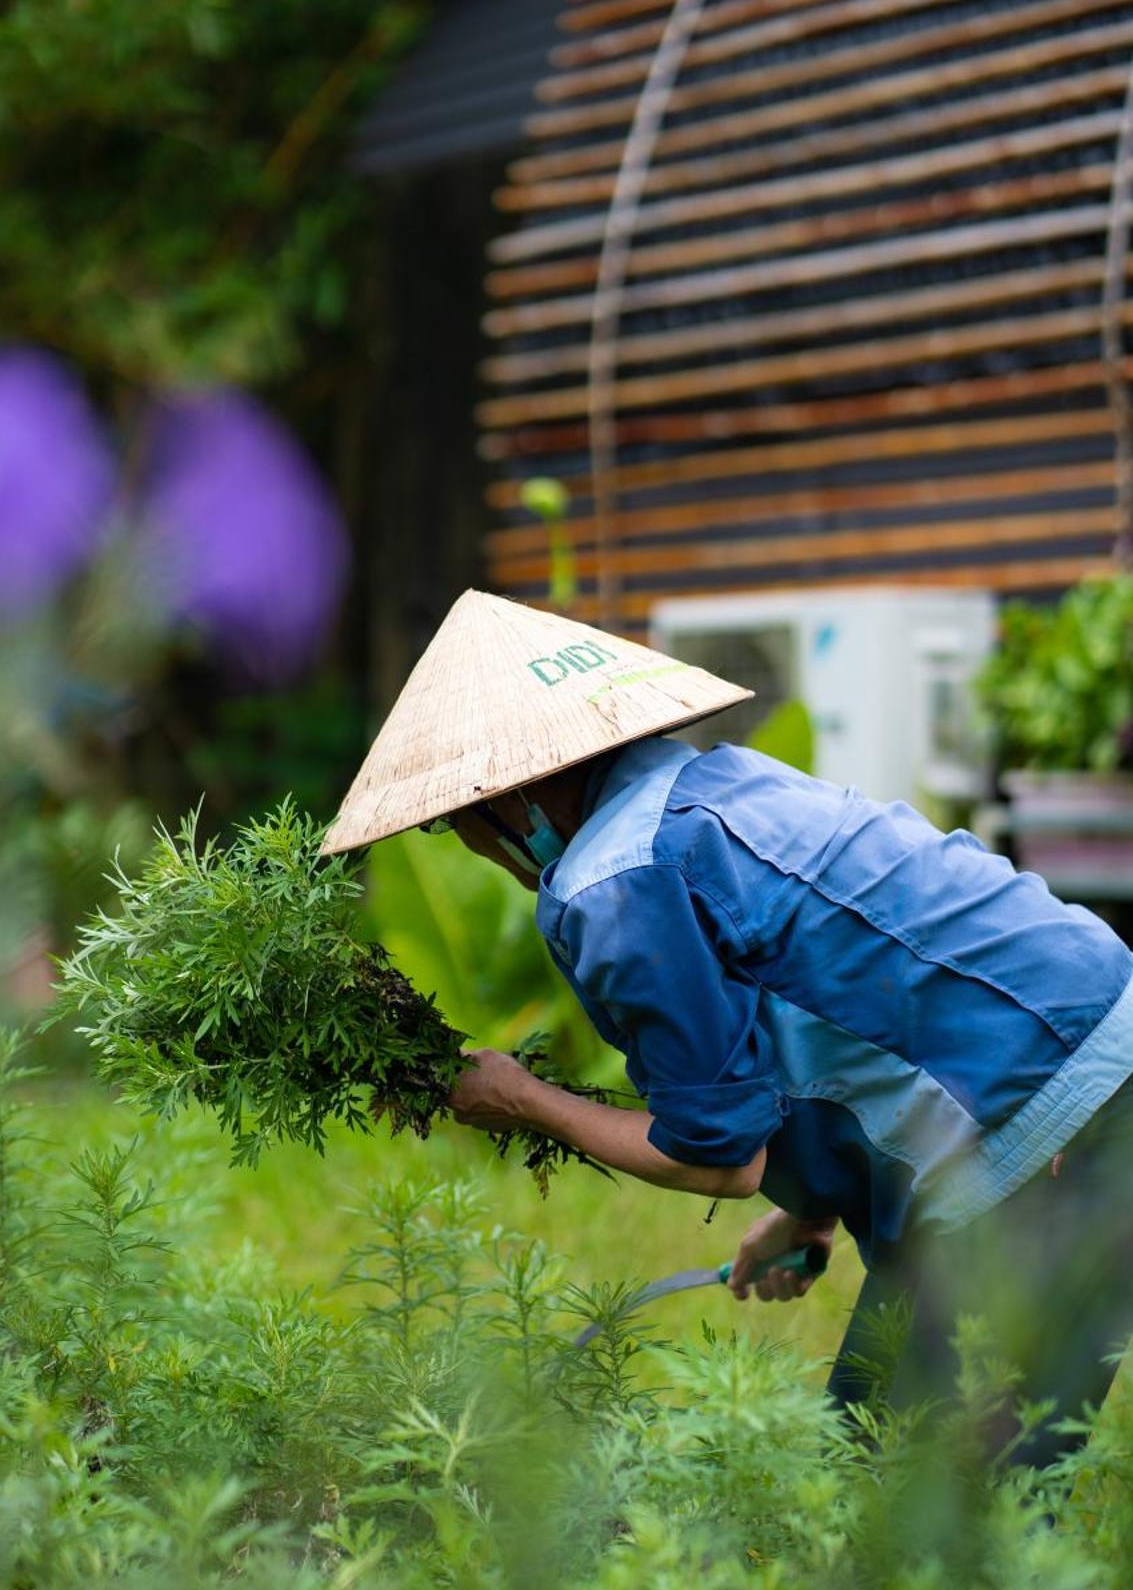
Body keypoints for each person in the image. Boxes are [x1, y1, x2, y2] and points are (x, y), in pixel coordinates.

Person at [322, 590, 1133, 1467]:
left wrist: (522, 1099)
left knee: (918, 1515)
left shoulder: (613, 878)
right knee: (867, 1454)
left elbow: (716, 1155)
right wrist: (816, 1208)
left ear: (508, 804)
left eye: (454, 827)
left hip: (1057, 1123)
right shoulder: (720, 784)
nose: (469, 849)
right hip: (1087, 1045)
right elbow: (824, 982)